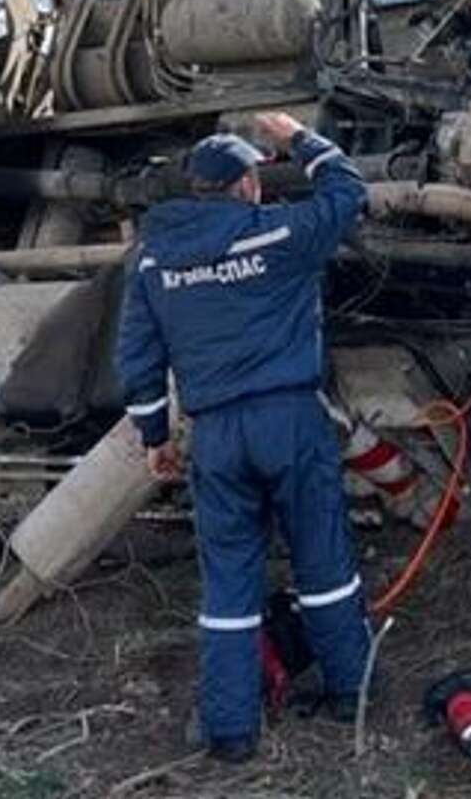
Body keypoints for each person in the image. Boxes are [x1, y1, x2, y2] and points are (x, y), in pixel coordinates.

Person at [114, 112, 372, 764]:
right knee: (321, 559)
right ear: (249, 185)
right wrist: (297, 139)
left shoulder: (151, 258)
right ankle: (352, 692)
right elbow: (347, 189)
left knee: (228, 577)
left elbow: (138, 357)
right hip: (288, 419)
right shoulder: (279, 234)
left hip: (216, 433)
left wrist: (154, 435)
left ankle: (231, 730)